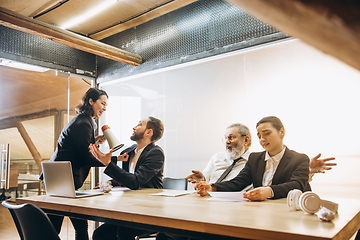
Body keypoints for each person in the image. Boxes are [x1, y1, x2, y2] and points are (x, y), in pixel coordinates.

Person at [39, 88, 108, 240]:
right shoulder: (84, 122)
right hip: (61, 180)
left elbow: (77, 148)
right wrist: (111, 161)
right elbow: (85, 158)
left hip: (60, 179)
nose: (104, 108)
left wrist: (94, 141)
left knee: (74, 225)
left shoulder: (83, 120)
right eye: (102, 103)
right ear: (91, 101)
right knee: (57, 227)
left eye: (106, 105)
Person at [197, 116, 310, 200]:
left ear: (282, 132)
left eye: (267, 133)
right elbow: (238, 182)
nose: (262, 139)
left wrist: (269, 191)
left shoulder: (300, 159)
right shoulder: (255, 158)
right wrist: (212, 188)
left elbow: (296, 185)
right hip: (259, 211)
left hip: (285, 210)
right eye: (259, 136)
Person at [89, 116, 165, 240]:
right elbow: (126, 177)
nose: (134, 127)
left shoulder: (156, 153)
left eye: (139, 124)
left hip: (149, 212)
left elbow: (135, 182)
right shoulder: (129, 151)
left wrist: (108, 164)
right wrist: (110, 183)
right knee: (100, 234)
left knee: (123, 231)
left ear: (148, 132)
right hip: (131, 208)